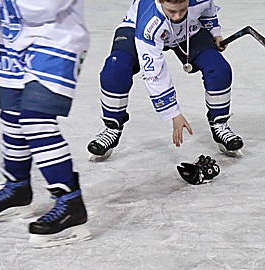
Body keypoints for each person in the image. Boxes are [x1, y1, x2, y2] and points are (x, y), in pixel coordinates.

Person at [0, 0, 91, 248]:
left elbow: (44, 7)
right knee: (11, 117)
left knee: (36, 120)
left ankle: (71, 203)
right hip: (15, 40)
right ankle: (17, 189)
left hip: (57, 40)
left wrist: (5, 6)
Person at [87, 0, 243, 160]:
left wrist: (215, 32)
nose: (177, 17)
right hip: (138, 27)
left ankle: (219, 124)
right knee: (115, 68)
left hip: (188, 30)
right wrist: (174, 114)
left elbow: (207, 10)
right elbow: (154, 73)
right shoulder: (149, 23)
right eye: (172, 11)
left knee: (219, 68)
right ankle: (112, 127)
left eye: (182, 10)